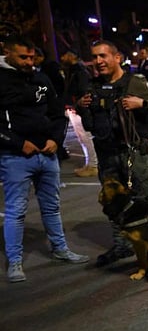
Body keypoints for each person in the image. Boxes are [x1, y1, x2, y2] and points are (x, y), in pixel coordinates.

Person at [0, 35, 90, 283]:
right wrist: (18, 143)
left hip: (47, 155)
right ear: (7, 53)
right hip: (15, 157)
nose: (29, 61)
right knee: (16, 211)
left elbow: (57, 113)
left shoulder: (40, 78)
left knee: (52, 207)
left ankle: (60, 249)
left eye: (32, 57)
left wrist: (55, 141)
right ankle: (15, 262)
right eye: (23, 57)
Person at [76, 40, 148, 267]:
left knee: (144, 201)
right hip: (107, 154)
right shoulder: (93, 86)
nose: (98, 62)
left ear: (117, 57)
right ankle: (123, 245)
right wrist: (82, 105)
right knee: (113, 204)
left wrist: (142, 103)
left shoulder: (135, 82)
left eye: (103, 56)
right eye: (95, 57)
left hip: (134, 154)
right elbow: (90, 119)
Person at [60, 51, 98, 177]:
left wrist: (74, 104)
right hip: (76, 108)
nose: (62, 57)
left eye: (65, 55)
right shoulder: (76, 70)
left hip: (79, 109)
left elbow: (81, 91)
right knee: (83, 137)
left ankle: (93, 165)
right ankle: (90, 164)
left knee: (85, 137)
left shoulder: (79, 72)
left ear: (72, 56)